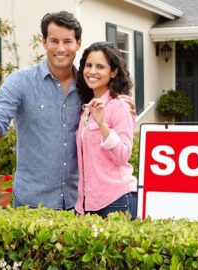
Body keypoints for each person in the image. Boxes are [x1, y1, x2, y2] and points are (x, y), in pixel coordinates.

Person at [0, 11, 135, 210]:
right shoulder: (21, 82)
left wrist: (122, 102)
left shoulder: (88, 88)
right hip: (32, 203)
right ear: (44, 42)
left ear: (78, 43)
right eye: (54, 41)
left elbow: (112, 110)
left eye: (67, 41)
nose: (61, 48)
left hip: (77, 204)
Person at [74, 42, 137, 219]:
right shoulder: (86, 108)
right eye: (89, 65)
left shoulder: (119, 106)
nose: (92, 71)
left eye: (100, 67)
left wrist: (102, 125)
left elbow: (123, 155)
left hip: (117, 200)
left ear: (113, 72)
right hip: (88, 203)